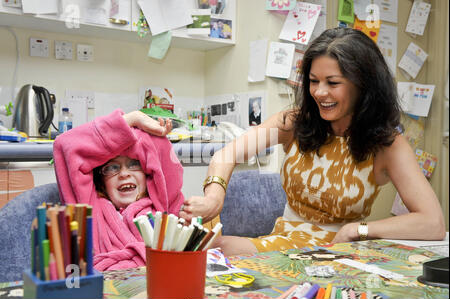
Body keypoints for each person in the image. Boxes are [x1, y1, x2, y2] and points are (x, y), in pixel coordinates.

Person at [179, 28, 446, 256]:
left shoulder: (387, 145)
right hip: (281, 246)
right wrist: (215, 196)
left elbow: (432, 222)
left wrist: (358, 229)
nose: (319, 92)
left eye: (332, 82)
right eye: (313, 81)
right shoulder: (293, 123)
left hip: (341, 257)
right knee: (209, 248)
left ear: (363, 85)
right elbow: (227, 155)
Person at [53, 109, 184, 270]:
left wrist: (148, 128)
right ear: (101, 181)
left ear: (149, 174)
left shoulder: (162, 205)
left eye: (134, 164)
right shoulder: (90, 209)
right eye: (112, 168)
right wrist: (133, 118)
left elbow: (159, 153)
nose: (124, 174)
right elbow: (64, 144)